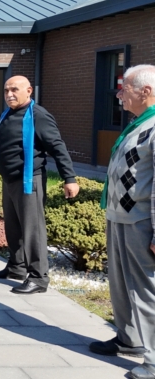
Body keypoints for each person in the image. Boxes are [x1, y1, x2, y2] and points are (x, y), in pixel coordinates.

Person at [0, 76, 78, 294]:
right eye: (6, 90)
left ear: (29, 91)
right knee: (13, 228)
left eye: (15, 90)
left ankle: (39, 278)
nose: (9, 94)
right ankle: (17, 267)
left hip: (29, 181)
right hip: (9, 180)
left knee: (32, 230)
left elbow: (57, 146)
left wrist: (69, 178)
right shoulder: (5, 114)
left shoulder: (37, 115)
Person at [89, 64, 155, 379]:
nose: (119, 94)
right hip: (119, 216)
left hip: (141, 222)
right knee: (119, 285)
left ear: (146, 91)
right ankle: (128, 339)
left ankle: (153, 360)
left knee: (145, 289)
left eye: (124, 87)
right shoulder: (137, 125)